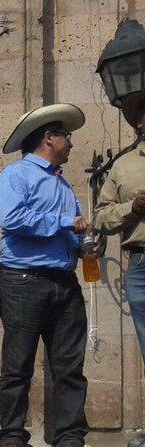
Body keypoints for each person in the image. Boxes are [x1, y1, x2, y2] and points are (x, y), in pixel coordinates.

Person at [0, 103, 93, 447]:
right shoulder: (16, 175)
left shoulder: (62, 185)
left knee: (69, 366)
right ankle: (13, 438)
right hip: (23, 279)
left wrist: (85, 244)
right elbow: (12, 218)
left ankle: (69, 439)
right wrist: (67, 222)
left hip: (62, 281)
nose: (71, 142)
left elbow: (68, 232)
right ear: (49, 137)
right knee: (17, 364)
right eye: (67, 135)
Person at [95, 92, 145, 369]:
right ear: (140, 124)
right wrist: (132, 208)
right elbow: (101, 217)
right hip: (141, 265)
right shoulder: (123, 166)